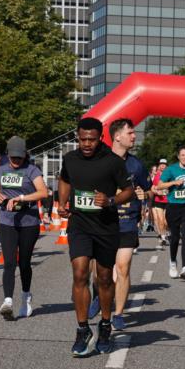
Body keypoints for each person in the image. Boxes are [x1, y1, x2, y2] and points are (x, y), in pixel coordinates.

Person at [59, 117, 134, 356]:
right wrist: (61, 202)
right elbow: (64, 179)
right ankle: (82, 329)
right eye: (82, 139)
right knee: (79, 272)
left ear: (101, 138)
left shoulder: (112, 162)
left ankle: (104, 324)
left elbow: (129, 191)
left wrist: (111, 200)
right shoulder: (70, 159)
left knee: (103, 277)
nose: (87, 144)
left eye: (91, 139)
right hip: (79, 224)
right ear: (77, 138)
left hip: (105, 226)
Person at [0, 136, 50, 320]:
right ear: (8, 154)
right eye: (13, 157)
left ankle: (26, 297)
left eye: (19, 157)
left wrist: (22, 199)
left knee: (24, 263)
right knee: (9, 262)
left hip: (28, 222)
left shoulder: (32, 170)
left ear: (25, 155)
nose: (16, 161)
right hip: (7, 221)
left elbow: (43, 192)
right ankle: (7, 301)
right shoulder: (1, 170)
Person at [110, 118, 152, 330]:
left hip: (127, 221)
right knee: (103, 272)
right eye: (130, 133)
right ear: (117, 136)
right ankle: (100, 296)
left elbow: (148, 189)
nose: (134, 136)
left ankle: (118, 313)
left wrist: (144, 193)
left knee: (123, 267)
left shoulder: (136, 164)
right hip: (103, 222)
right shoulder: (101, 160)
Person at [156, 147, 185, 280]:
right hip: (173, 207)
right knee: (175, 238)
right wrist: (174, 182)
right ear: (178, 156)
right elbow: (159, 186)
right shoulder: (171, 169)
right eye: (183, 155)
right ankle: (173, 262)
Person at [151, 159, 169, 248]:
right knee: (161, 220)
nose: (163, 166)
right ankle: (163, 237)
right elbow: (153, 188)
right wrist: (157, 192)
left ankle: (166, 233)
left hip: (168, 201)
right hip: (158, 200)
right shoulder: (157, 176)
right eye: (161, 164)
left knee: (166, 222)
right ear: (159, 166)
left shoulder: (170, 175)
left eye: (165, 164)